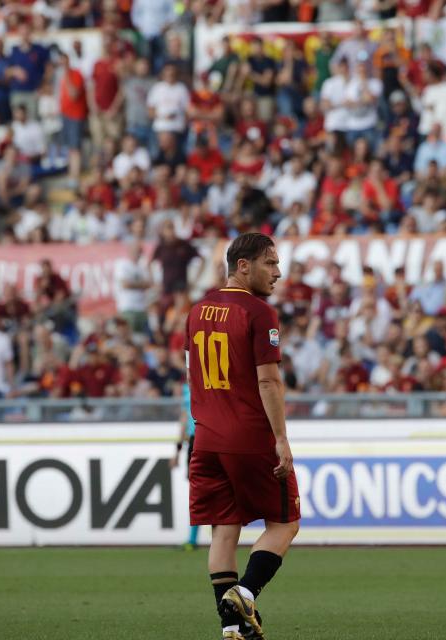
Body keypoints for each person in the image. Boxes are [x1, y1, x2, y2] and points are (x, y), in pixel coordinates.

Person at [185, 232, 299, 640]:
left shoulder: (197, 310)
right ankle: (246, 593)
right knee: (285, 524)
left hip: (207, 437)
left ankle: (231, 627)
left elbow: (191, 376)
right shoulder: (258, 312)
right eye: (270, 263)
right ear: (243, 266)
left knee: (224, 528)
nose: (278, 272)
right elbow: (269, 382)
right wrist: (281, 438)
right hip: (248, 436)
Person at [170, 381, 199, 550]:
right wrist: (178, 450)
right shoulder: (187, 388)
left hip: (211, 438)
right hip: (194, 442)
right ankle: (192, 539)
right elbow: (184, 418)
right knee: (197, 491)